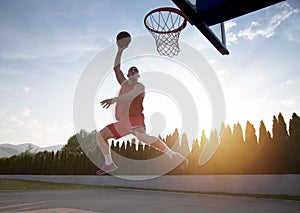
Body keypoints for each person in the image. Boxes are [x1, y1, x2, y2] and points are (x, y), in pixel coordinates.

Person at [96, 44, 188, 175]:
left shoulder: (140, 86)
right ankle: (109, 163)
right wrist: (120, 50)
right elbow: (116, 69)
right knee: (101, 136)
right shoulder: (124, 84)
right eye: (131, 70)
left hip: (135, 119)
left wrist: (113, 100)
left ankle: (173, 155)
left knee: (142, 137)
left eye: (135, 71)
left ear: (138, 75)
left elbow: (129, 97)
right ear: (128, 75)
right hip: (122, 122)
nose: (133, 71)